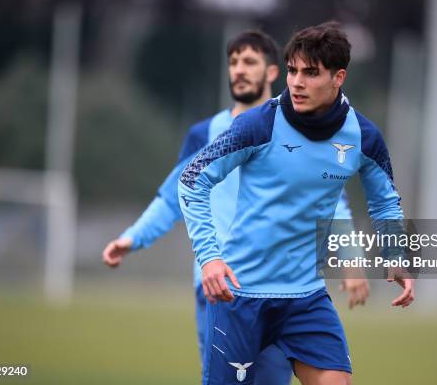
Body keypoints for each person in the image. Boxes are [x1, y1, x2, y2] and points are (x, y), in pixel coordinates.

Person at [102, 30, 366, 384]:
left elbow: (335, 204)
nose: (239, 70)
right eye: (233, 62)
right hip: (218, 287)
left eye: (250, 62)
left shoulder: (303, 131)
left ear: (274, 72)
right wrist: (133, 238)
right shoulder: (205, 133)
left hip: (281, 288)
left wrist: (350, 260)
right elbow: (173, 197)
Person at [178, 22, 414, 385]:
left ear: (339, 77)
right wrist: (209, 258)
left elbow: (384, 202)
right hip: (240, 297)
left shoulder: (363, 137)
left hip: (306, 298)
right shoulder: (258, 124)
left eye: (310, 73)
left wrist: (396, 256)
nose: (296, 82)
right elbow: (192, 180)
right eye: (292, 71)